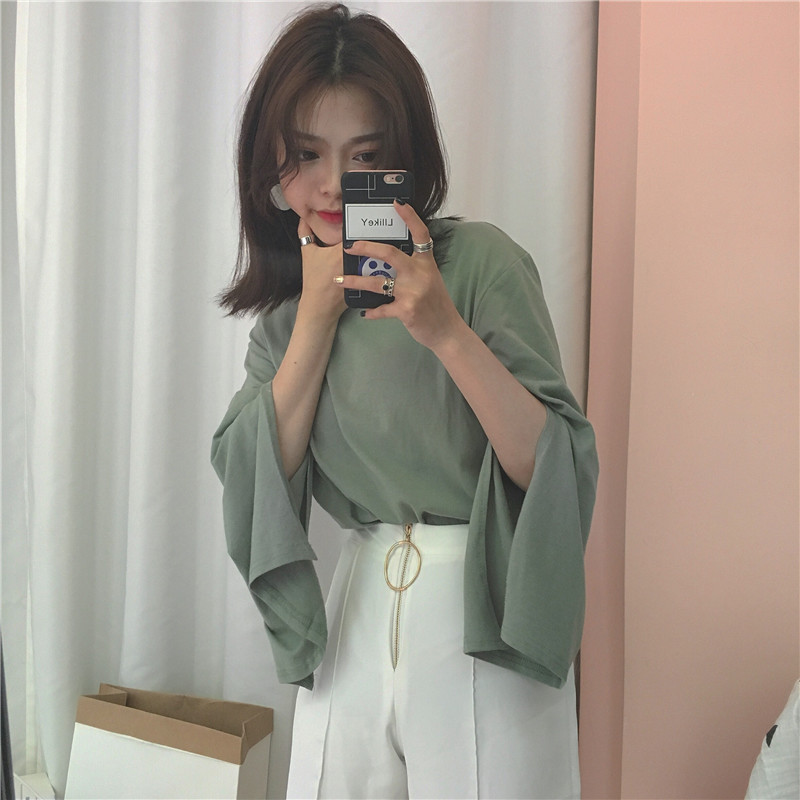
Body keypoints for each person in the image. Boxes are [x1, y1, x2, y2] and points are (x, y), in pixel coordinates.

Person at [211, 3, 598, 798]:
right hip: (354, 610)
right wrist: (317, 313)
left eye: (364, 155)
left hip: (481, 609)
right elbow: (253, 479)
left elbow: (555, 465)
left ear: (403, 157)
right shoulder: (284, 323)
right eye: (306, 154)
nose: (332, 184)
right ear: (271, 169)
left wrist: (445, 330)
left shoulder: (480, 265)